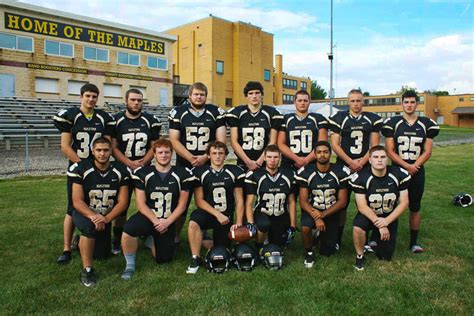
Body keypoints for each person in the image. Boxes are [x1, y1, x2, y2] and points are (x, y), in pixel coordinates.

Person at [53, 83, 115, 265]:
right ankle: (66, 247)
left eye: (94, 96)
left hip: (99, 167)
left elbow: (108, 144)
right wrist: (82, 166)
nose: (91, 99)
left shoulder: (103, 118)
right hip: (78, 168)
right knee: (72, 207)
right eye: (88, 96)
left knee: (98, 202)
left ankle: (95, 237)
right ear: (81, 96)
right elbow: (65, 146)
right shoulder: (71, 116)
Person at [120, 139, 194, 280]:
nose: (164, 155)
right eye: (160, 152)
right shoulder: (143, 173)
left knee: (164, 259)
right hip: (149, 216)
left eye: (167, 152)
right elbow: (141, 204)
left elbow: (182, 205)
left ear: (171, 154)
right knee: (128, 230)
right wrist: (156, 221)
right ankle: (129, 265)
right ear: (154, 154)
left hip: (168, 218)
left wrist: (167, 222)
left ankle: (149, 240)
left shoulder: (182, 173)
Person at [382, 90, 440, 253]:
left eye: (412, 102)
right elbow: (390, 150)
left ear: (417, 104)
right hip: (396, 171)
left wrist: (414, 166)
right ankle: (381, 237)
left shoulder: (426, 124)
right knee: (388, 205)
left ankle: (414, 242)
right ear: (402, 104)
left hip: (417, 171)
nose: (409, 105)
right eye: (406, 102)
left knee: (415, 206)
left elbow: (427, 151)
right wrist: (406, 167)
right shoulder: (393, 123)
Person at [168, 82, 226, 244]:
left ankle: (206, 231)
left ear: (206, 96)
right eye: (196, 94)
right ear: (190, 96)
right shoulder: (179, 112)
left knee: (208, 200)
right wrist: (191, 158)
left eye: (202, 94)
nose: (199, 97)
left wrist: (205, 157)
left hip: (208, 164)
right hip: (184, 165)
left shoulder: (215, 112)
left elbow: (220, 141)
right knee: (181, 202)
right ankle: (176, 235)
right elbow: (174, 140)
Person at [68, 137, 130, 287]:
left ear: (111, 152)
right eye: (99, 150)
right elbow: (77, 201)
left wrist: (106, 219)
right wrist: (94, 217)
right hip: (85, 212)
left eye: (106, 150)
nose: (102, 153)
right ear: (92, 151)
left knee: (101, 255)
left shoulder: (120, 170)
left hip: (105, 216)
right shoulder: (80, 168)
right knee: (89, 228)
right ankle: (87, 270)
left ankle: (78, 243)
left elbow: (123, 202)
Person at [328, 89, 383, 249]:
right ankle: (337, 238)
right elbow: (335, 145)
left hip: (365, 166)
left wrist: (361, 162)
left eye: (359, 100)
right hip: (343, 166)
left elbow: (374, 145)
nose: (356, 104)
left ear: (363, 101)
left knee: (370, 202)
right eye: (353, 101)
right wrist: (350, 162)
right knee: (341, 204)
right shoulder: (339, 118)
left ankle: (370, 238)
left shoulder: (371, 119)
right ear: (348, 102)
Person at [111, 88, 161, 254]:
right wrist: (128, 163)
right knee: (121, 206)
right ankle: (117, 240)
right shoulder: (116, 120)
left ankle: (147, 234)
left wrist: (143, 162)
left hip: (144, 169)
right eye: (133, 100)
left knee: (148, 204)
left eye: (139, 100)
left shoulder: (150, 120)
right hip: (122, 169)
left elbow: (155, 146)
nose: (136, 103)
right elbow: (113, 147)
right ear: (126, 100)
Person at [186, 141, 245, 274]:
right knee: (194, 221)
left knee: (220, 251)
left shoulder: (234, 172)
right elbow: (199, 201)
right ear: (208, 155)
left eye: (220, 153)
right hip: (209, 213)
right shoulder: (200, 172)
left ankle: (205, 238)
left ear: (225, 155)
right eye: (214, 153)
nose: (217, 156)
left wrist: (239, 222)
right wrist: (217, 214)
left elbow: (239, 200)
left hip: (226, 217)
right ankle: (195, 258)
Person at [350, 145, 410, 271]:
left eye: (383, 157)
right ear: (370, 160)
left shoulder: (398, 174)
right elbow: (361, 206)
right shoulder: (361, 177)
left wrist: (386, 221)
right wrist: (381, 225)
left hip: (389, 215)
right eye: (376, 157)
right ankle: (360, 255)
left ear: (387, 159)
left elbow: (404, 202)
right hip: (369, 214)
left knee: (385, 256)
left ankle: (376, 241)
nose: (379, 160)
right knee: (358, 227)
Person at [295, 141, 350, 268]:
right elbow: (303, 201)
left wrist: (323, 215)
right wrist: (317, 217)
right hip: (312, 210)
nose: (322, 155)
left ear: (331, 154)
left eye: (325, 152)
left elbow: (342, 202)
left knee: (327, 252)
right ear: (314, 154)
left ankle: (320, 236)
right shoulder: (306, 172)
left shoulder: (340, 171)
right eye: (319, 152)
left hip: (331, 211)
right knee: (305, 228)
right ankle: (309, 252)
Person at [245, 145, 296, 250]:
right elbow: (249, 202)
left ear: (280, 157)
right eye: (269, 157)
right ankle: (258, 246)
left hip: (280, 213)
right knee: (264, 225)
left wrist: (292, 226)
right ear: (264, 158)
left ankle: (271, 237)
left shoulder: (289, 175)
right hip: (262, 212)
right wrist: (250, 222)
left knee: (278, 245)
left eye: (275, 157)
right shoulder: (255, 175)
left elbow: (291, 202)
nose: (272, 160)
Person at [227, 81, 283, 171]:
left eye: (257, 93)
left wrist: (260, 161)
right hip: (243, 161)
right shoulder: (237, 113)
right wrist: (248, 162)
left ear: (262, 95)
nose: (254, 96)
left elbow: (272, 141)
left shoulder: (271, 113)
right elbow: (234, 141)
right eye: (251, 93)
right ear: (246, 96)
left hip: (265, 162)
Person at [278, 90, 328, 170]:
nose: (302, 103)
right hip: (289, 164)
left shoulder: (318, 119)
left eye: (305, 100)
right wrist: (297, 159)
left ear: (309, 102)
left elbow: (322, 144)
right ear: (295, 102)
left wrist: (306, 160)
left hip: (312, 164)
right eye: (299, 100)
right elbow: (281, 144)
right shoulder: (286, 119)